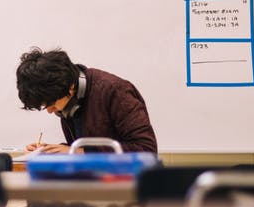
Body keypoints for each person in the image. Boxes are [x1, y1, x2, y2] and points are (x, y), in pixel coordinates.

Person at [16, 47, 157, 154]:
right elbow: (87, 146)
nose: (49, 111)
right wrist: (51, 151)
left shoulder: (115, 91)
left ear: (70, 87)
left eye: (51, 104)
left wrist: (80, 152)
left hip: (126, 186)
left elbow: (146, 149)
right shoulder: (69, 101)